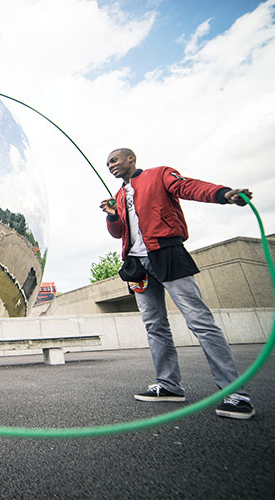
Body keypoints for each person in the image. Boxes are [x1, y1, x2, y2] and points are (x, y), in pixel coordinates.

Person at [99, 148, 255, 420]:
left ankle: (235, 394)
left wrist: (223, 194)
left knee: (200, 321)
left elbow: (188, 187)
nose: (110, 165)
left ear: (131, 159)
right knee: (154, 325)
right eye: (108, 163)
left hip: (168, 253)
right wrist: (113, 214)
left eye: (114, 160)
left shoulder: (159, 175)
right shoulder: (119, 195)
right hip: (137, 265)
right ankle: (169, 385)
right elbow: (118, 233)